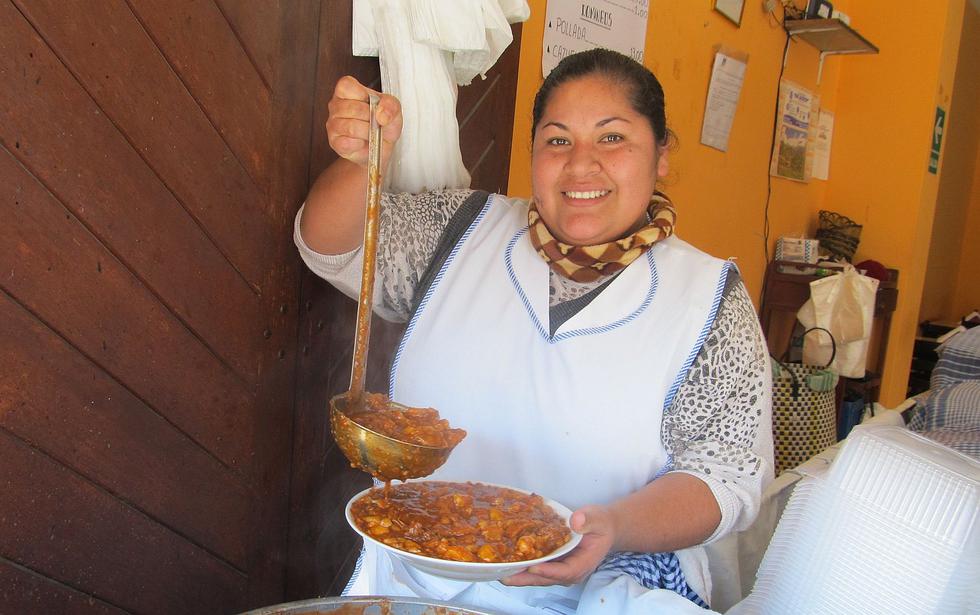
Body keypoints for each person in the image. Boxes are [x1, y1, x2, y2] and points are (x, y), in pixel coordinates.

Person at [296, 48, 773, 614]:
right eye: (557, 140)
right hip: (420, 577)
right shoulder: (461, 229)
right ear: (533, 153)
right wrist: (359, 159)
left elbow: (725, 478)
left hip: (604, 588)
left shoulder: (708, 298)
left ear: (662, 153)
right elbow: (332, 245)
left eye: (613, 138)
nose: (581, 165)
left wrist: (612, 527)